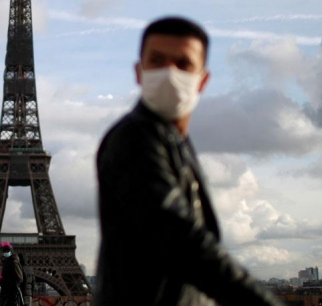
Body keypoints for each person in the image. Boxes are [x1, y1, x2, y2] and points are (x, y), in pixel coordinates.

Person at [94, 16, 284, 306]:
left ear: (203, 80)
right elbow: (184, 243)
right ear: (138, 71)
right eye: (157, 60)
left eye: (183, 64)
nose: (169, 72)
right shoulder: (134, 139)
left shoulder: (172, 141)